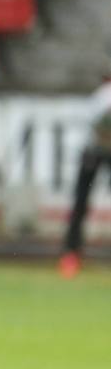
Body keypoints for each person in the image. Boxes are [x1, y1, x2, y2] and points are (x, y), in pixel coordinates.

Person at [58, 79, 111, 277]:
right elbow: (94, 127)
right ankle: (71, 253)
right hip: (95, 151)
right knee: (80, 202)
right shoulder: (105, 96)